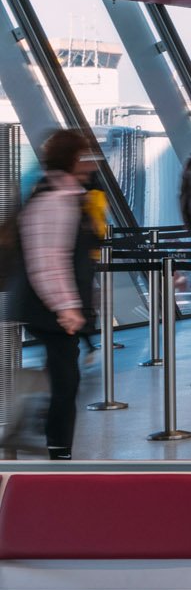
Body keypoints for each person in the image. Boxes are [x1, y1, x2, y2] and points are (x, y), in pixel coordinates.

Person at [15, 131, 96, 459]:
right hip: (49, 308)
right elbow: (48, 259)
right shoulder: (55, 199)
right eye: (85, 155)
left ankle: (46, 434)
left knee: (63, 375)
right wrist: (66, 307)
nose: (91, 162)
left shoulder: (62, 193)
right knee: (66, 381)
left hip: (45, 306)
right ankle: (58, 451)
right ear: (73, 158)